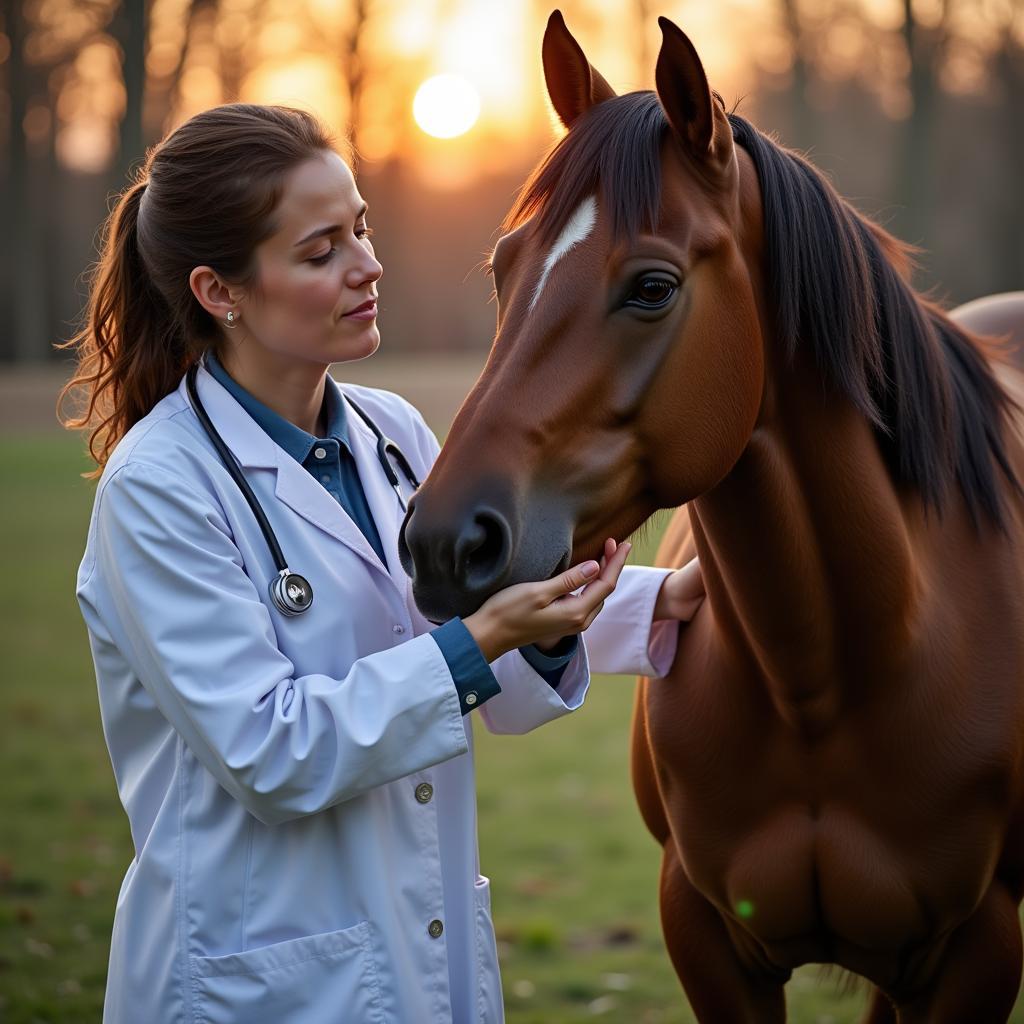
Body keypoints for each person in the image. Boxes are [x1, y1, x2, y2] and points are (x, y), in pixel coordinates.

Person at [60, 103, 705, 1024]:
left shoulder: (392, 435)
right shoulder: (159, 488)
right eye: (321, 251)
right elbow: (272, 753)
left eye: (360, 228)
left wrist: (662, 600)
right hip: (253, 988)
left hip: (420, 967)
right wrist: (477, 645)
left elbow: (486, 660)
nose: (368, 266)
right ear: (219, 291)